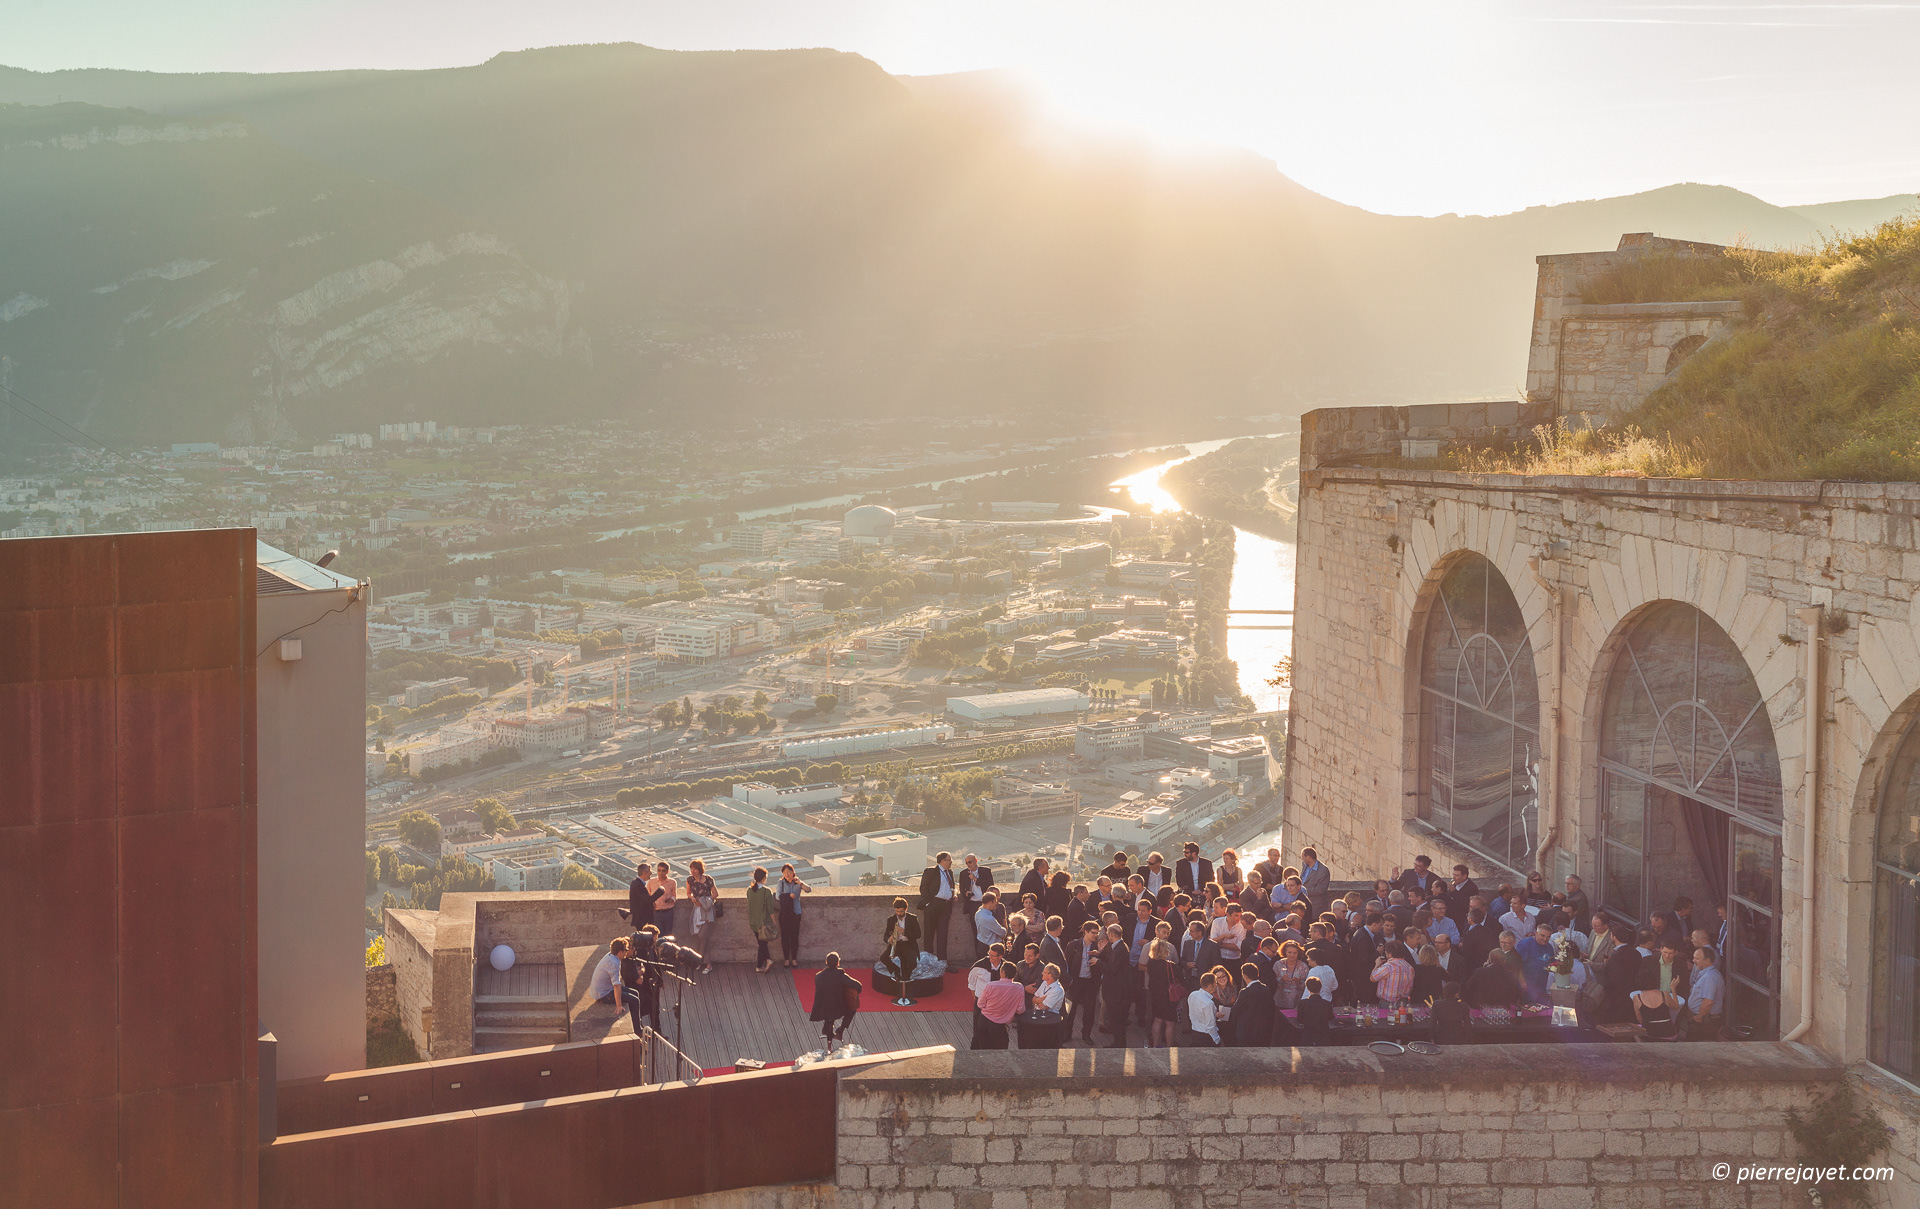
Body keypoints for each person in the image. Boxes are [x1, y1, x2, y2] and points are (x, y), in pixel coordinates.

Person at [1064, 921, 1103, 1044]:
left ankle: (1086, 1035)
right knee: (1070, 1009)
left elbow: (1103, 964)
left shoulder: (1098, 947)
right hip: (1076, 982)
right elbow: (1067, 964)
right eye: (1093, 933)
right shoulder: (1073, 945)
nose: (1095, 935)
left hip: (1090, 982)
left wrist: (1100, 954)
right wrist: (1069, 981)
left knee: (1089, 1011)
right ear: (1085, 931)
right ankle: (1066, 1034)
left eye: (1097, 933)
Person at [811, 952, 861, 1044]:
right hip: (837, 1008)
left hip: (821, 1008)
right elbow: (858, 986)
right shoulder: (840, 975)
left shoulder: (818, 976)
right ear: (838, 963)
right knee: (852, 1009)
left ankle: (827, 1028)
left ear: (826, 962)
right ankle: (840, 1030)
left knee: (829, 1007)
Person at [1097, 923, 1133, 1047]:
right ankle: (1118, 1042)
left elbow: (1112, 969)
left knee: (1116, 1020)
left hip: (1115, 992)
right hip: (1115, 991)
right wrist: (1101, 952)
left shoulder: (1120, 949)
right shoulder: (1119, 947)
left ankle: (1119, 1044)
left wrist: (1098, 962)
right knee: (1115, 1020)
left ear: (1112, 934)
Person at [975, 963, 1027, 1049]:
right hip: (1001, 1026)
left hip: (985, 1021)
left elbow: (980, 1004)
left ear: (1002, 972)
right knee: (1001, 1053)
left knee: (983, 1050)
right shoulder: (1019, 987)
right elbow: (1020, 1009)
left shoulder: (990, 985)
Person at [918, 852, 957, 962]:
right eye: (949, 859)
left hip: (946, 906)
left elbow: (951, 887)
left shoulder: (950, 872)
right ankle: (929, 961)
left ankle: (942, 961)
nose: (951, 862)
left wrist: (954, 895)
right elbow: (923, 888)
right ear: (942, 861)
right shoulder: (931, 871)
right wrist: (928, 903)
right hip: (933, 905)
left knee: (943, 935)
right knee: (929, 935)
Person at [1144, 937, 1181, 1046]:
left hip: (1155, 995)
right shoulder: (1171, 965)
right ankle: (1170, 1046)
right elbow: (1180, 979)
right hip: (1169, 997)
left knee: (1157, 1020)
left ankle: (1156, 1045)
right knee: (1170, 1023)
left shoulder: (1151, 963)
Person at [1683, 945, 1725, 1040]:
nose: (1693, 961)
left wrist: (1699, 1016)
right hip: (1704, 1018)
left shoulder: (1709, 977)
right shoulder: (1708, 974)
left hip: (1705, 1020)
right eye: (1693, 957)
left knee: (1694, 1047)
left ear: (1707, 960)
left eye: (1697, 958)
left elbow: (1708, 1001)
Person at [685, 859, 719, 973]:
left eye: (695, 869)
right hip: (697, 910)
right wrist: (693, 898)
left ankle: (700, 962)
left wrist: (705, 901)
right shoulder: (690, 880)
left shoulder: (708, 879)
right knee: (705, 938)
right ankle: (706, 963)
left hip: (708, 910)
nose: (693, 871)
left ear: (700, 869)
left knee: (702, 936)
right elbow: (688, 893)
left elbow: (715, 894)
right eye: (691, 869)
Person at [774, 863, 811, 969]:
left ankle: (794, 959)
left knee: (794, 937)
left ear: (793, 872)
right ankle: (786, 959)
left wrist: (800, 883)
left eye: (789, 872)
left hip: (795, 912)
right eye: (785, 872)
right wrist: (788, 896)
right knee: (785, 937)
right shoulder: (780, 883)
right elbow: (777, 896)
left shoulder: (797, 883)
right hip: (785, 914)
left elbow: (808, 890)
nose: (787, 874)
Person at [1233, 961, 1277, 1047]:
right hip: (1263, 1032)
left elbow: (1235, 1010)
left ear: (1244, 976)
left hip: (1247, 1033)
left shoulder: (1245, 992)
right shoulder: (1266, 988)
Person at [959, 854, 995, 957]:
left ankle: (991, 955)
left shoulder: (985, 871)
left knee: (988, 931)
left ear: (975, 861)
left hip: (985, 904)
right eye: (966, 863)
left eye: (970, 862)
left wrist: (976, 879)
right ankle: (979, 957)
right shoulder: (963, 874)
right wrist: (965, 893)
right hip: (973, 904)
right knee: (976, 932)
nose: (968, 865)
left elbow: (990, 886)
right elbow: (962, 889)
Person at [746, 866, 779, 974]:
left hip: (753, 922)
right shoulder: (766, 891)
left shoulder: (750, 890)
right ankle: (763, 963)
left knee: (762, 944)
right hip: (763, 923)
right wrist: (774, 922)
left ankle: (764, 962)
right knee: (762, 944)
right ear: (764, 878)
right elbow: (770, 909)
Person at [881, 897, 922, 983]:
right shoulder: (891, 919)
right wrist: (889, 939)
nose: (899, 914)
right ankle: (896, 970)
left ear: (906, 909)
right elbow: (885, 935)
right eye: (897, 911)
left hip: (909, 945)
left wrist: (904, 931)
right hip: (897, 944)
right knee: (883, 958)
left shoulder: (913, 918)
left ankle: (906, 978)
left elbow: (918, 934)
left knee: (912, 963)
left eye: (901, 911)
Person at [1514, 923, 1556, 1001]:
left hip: (1542, 986)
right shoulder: (1525, 944)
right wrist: (1522, 982)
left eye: (1548, 937)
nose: (1545, 939)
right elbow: (1516, 965)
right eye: (1542, 936)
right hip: (1528, 985)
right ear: (1536, 933)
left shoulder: (1549, 947)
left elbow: (1552, 964)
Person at [1185, 972, 1223, 1045]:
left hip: (1194, 1033)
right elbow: (1210, 1026)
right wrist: (1217, 1039)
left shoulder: (1192, 994)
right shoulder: (1209, 1003)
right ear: (1209, 986)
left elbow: (1196, 1012)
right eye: (1215, 983)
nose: (1216, 985)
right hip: (1206, 1037)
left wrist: (1214, 1014)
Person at [589, 937, 628, 1006]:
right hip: (603, 995)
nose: (626, 952)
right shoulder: (614, 963)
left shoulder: (611, 956)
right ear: (620, 952)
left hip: (600, 991)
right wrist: (619, 1006)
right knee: (634, 1000)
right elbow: (616, 985)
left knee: (635, 993)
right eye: (625, 950)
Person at [1295, 977, 1333, 1045]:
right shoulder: (1327, 1004)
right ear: (1320, 988)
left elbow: (1299, 1020)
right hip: (1323, 1037)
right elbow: (1331, 1017)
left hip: (1308, 1037)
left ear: (1308, 988)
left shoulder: (1302, 1003)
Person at [628, 867, 665, 933]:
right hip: (642, 918)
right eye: (649, 871)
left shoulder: (636, 883)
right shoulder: (638, 885)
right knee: (644, 938)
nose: (651, 873)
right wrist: (660, 891)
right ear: (644, 873)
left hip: (642, 918)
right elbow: (648, 900)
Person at [648, 861, 679, 936]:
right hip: (656, 912)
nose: (661, 873)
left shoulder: (672, 882)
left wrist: (671, 899)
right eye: (659, 870)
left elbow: (674, 895)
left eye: (663, 871)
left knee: (668, 934)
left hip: (668, 911)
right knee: (657, 934)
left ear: (667, 872)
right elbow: (648, 896)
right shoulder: (651, 882)